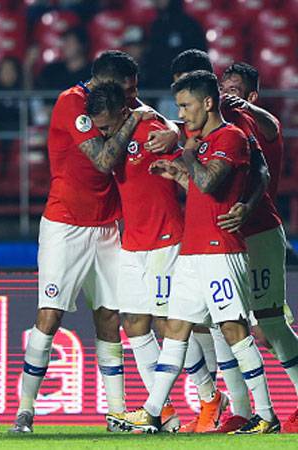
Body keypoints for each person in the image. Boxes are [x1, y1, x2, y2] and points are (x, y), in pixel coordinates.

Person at [123, 70, 279, 434]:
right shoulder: (203, 139)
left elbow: (211, 181)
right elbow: (201, 188)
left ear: (208, 103)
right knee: (176, 328)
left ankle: (267, 413)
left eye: (186, 106)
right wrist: (178, 175)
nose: (182, 113)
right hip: (193, 250)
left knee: (233, 329)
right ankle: (152, 410)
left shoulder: (231, 137)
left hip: (220, 250)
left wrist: (189, 156)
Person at [9, 52, 155, 434]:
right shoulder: (71, 103)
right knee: (50, 315)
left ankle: (117, 412)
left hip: (108, 226)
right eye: (130, 89)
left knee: (110, 317)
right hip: (65, 224)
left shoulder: (127, 106)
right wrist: (135, 120)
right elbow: (104, 161)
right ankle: (25, 410)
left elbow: (154, 117)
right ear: (106, 83)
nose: (135, 97)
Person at [86, 82, 183, 433]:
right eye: (101, 129)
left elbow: (186, 159)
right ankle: (166, 414)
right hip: (133, 242)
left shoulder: (155, 132)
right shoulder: (115, 139)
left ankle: (166, 406)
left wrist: (174, 134)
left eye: (109, 126)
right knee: (133, 322)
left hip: (165, 237)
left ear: (124, 112)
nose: (105, 134)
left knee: (170, 324)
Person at [220, 62, 298, 434]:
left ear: (250, 95)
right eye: (222, 86)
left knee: (269, 326)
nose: (225, 94)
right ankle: (238, 409)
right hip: (228, 238)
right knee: (222, 323)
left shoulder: (256, 124)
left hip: (261, 232)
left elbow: (273, 126)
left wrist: (248, 109)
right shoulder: (220, 125)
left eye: (234, 89)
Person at [143, 0, 207, 90]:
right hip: (160, 89)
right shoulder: (156, 25)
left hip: (186, 88)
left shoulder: (189, 25)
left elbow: (199, 58)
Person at [36, 27, 93, 92]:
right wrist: (27, 68)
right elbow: (34, 96)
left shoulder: (94, 74)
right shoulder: (51, 71)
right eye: (64, 42)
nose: (65, 46)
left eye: (70, 42)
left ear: (82, 45)